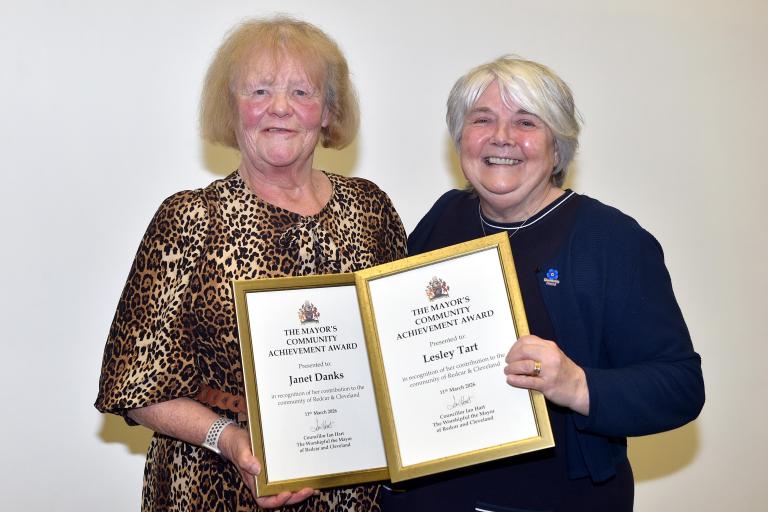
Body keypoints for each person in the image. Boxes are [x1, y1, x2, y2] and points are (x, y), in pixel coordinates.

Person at [95, 17, 406, 511]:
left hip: (351, 486)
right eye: (259, 90)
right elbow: (133, 384)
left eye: (302, 92)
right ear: (232, 107)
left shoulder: (370, 209)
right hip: (216, 484)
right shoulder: (191, 218)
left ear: (328, 111)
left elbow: (403, 350)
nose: (279, 108)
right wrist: (229, 438)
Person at [383, 56, 705, 511]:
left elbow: (680, 387)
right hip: (431, 498)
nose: (501, 137)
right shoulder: (445, 217)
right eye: (482, 119)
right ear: (461, 137)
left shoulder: (612, 241)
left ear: (558, 148)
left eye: (526, 122)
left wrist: (576, 384)